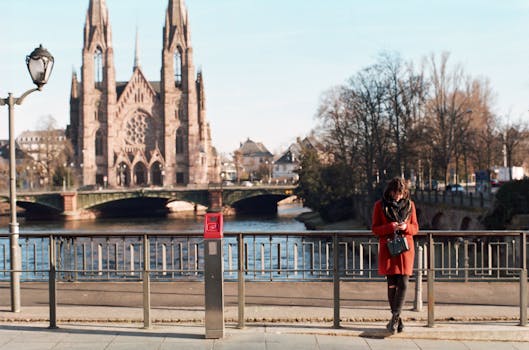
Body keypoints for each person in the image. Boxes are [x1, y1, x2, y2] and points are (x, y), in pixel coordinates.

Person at [371, 177, 419, 334]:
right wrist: (389, 227)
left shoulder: (410, 206)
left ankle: (394, 318)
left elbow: (416, 228)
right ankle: (397, 321)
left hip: (405, 250)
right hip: (389, 250)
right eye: (395, 193)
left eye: (400, 193)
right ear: (390, 191)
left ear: (404, 192)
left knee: (404, 284)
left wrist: (406, 227)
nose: (397, 196)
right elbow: (375, 229)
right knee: (392, 286)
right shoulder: (380, 206)